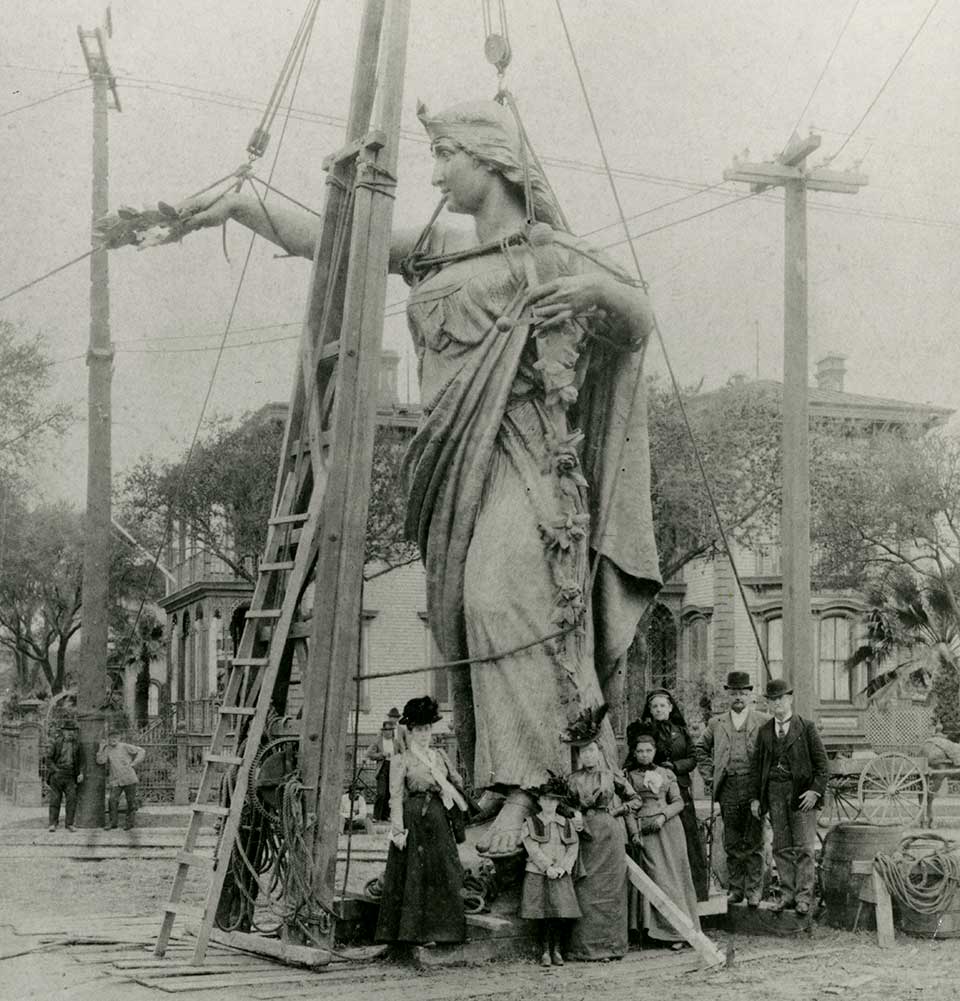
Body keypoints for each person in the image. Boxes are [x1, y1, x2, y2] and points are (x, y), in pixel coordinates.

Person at [165, 98, 662, 857]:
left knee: (503, 598)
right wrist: (242, 203)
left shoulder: (551, 254)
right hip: (450, 470)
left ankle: (538, 786)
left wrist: (596, 295)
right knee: (464, 611)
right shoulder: (436, 249)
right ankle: (502, 780)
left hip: (526, 462)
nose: (433, 173)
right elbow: (332, 242)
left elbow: (637, 317)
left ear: (489, 160)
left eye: (444, 155)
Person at [375, 696, 467, 946]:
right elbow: (395, 797)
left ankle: (445, 932)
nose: (424, 734)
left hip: (437, 816)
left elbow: (456, 782)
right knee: (415, 874)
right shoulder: (401, 760)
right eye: (419, 730)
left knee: (442, 869)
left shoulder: (439, 757)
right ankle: (414, 933)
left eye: (427, 729)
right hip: (413, 818)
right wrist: (398, 830)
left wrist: (450, 785)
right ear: (411, 732)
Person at [750, 679, 829, 915]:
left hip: (802, 796)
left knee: (804, 847)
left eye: (781, 698)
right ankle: (787, 895)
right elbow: (757, 769)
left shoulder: (806, 728)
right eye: (772, 700)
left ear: (790, 699)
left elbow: (823, 766)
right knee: (781, 847)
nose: (777, 704)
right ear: (768, 703)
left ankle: (804, 898)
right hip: (774, 793)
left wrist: (815, 791)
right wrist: (756, 798)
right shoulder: (764, 732)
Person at [564, 706, 636, 961]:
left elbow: (634, 799)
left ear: (599, 752)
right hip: (585, 836)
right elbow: (566, 805)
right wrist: (574, 815)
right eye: (583, 752)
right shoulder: (572, 780)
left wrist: (617, 812)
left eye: (592, 750)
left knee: (611, 890)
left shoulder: (611, 775)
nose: (588, 756)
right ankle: (585, 948)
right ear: (580, 755)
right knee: (586, 888)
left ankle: (612, 947)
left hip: (610, 832)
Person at [695, 670, 770, 907]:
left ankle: (754, 891)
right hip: (728, 787)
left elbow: (773, 753)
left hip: (754, 787)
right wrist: (709, 776)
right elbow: (700, 750)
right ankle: (736, 889)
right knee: (733, 841)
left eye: (743, 693)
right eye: (734, 693)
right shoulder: (716, 723)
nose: (738, 697)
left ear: (750, 695)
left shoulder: (763, 721)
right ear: (728, 695)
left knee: (755, 841)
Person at [623, 727, 701, 949]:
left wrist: (663, 816)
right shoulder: (628, 776)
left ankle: (680, 932)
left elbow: (678, 802)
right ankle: (655, 932)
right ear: (635, 753)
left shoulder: (667, 774)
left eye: (649, 750)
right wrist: (634, 832)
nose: (645, 755)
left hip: (669, 829)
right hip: (645, 831)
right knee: (654, 877)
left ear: (655, 751)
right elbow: (628, 808)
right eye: (640, 751)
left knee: (674, 878)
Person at [635, 689, 709, 900]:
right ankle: (666, 891)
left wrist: (674, 766)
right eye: (654, 706)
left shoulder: (681, 731)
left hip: (681, 790)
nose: (659, 710)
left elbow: (693, 758)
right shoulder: (645, 731)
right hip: (656, 791)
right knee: (664, 840)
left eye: (662, 706)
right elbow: (640, 756)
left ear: (670, 708)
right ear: (650, 710)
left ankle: (694, 892)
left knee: (688, 837)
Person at [520, 773, 581, 967]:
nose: (549, 804)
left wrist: (564, 867)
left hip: (561, 873)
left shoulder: (566, 822)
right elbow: (532, 848)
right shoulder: (531, 823)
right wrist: (547, 867)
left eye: (553, 800)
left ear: (558, 802)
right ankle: (545, 950)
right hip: (539, 873)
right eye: (546, 799)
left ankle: (557, 949)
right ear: (539, 801)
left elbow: (573, 847)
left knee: (560, 913)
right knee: (543, 914)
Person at [96, 730, 146, 830]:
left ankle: (129, 823)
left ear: (119, 738)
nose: (113, 739)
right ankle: (113, 823)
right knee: (112, 801)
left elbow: (141, 751)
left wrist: (134, 763)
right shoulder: (107, 749)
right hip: (116, 780)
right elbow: (101, 761)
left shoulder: (124, 746)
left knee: (130, 801)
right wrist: (101, 749)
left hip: (129, 778)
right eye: (111, 737)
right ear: (108, 739)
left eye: (116, 737)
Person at [46, 718, 84, 832]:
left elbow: (82, 761)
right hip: (57, 775)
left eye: (72, 730)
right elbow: (48, 759)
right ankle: (53, 824)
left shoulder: (77, 744)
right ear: (63, 731)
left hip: (71, 775)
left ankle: (69, 824)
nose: (70, 733)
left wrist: (81, 773)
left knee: (71, 799)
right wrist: (55, 770)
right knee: (55, 799)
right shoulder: (56, 743)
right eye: (68, 730)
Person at [364, 707, 401, 821]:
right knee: (381, 793)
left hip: (393, 767)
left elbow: (402, 753)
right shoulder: (378, 741)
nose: (388, 732)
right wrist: (381, 755)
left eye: (390, 730)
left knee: (390, 793)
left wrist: (399, 759)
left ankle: (386, 815)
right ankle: (376, 816)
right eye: (386, 730)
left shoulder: (396, 742)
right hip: (383, 768)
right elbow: (369, 753)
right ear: (383, 731)